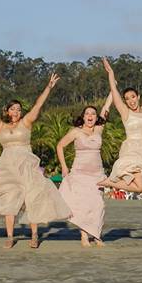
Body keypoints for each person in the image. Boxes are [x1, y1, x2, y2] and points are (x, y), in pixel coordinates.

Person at [0, 74, 70, 249]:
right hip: (8, 166)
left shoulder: (26, 123)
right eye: (13, 109)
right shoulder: (0, 126)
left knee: (31, 199)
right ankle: (10, 236)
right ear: (7, 111)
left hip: (26, 164)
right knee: (9, 201)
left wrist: (48, 87)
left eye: (19, 109)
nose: (17, 112)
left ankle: (34, 235)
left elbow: (38, 105)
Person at [98, 56, 142, 195]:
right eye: (127, 99)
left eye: (133, 97)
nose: (131, 101)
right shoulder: (125, 112)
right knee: (140, 186)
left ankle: (106, 181)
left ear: (138, 96)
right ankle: (106, 181)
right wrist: (110, 72)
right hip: (132, 149)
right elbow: (115, 92)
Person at [57, 96, 112, 247]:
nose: (90, 116)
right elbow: (60, 146)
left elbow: (106, 109)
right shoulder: (76, 131)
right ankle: (84, 235)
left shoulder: (99, 129)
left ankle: (97, 235)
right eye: (87, 113)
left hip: (97, 174)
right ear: (83, 117)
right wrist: (64, 166)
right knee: (83, 205)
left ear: (96, 118)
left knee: (98, 205)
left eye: (93, 114)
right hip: (79, 174)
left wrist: (112, 90)